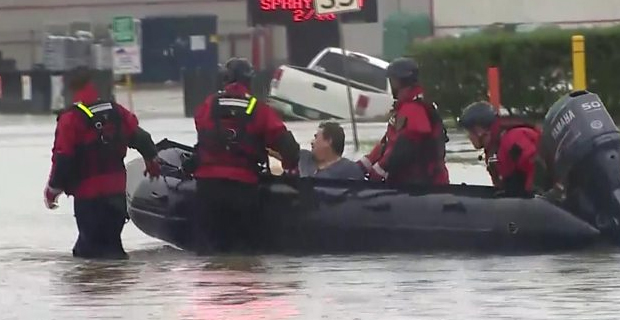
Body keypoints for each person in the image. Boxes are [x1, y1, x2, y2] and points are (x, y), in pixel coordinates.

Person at [183, 57, 300, 254]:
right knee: (244, 256)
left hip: (208, 189)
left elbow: (203, 136)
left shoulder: (208, 106)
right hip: (243, 189)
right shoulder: (259, 109)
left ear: (225, 79)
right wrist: (290, 168)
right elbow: (287, 145)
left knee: (209, 254)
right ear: (249, 81)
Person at [43, 66, 162, 259]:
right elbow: (142, 138)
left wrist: (53, 190)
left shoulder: (70, 119)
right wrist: (151, 161)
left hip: (89, 199)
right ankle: (117, 285)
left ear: (70, 89)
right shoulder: (116, 112)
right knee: (112, 249)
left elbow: (63, 159)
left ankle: (102, 285)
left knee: (89, 255)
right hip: (116, 196)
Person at [356, 57, 450, 186]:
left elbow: (403, 148)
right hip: (412, 183)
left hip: (423, 185)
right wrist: (364, 164)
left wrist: (379, 170)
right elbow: (388, 142)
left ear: (397, 81)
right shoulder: (406, 107)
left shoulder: (414, 109)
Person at [458, 101, 542, 196]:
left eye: (469, 132)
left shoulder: (513, 140)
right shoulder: (493, 150)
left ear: (479, 131)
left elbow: (538, 170)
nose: (468, 137)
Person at [269, 122, 364, 180]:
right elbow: (279, 153)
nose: (312, 142)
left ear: (328, 141)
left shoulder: (350, 170)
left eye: (316, 137)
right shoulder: (304, 157)